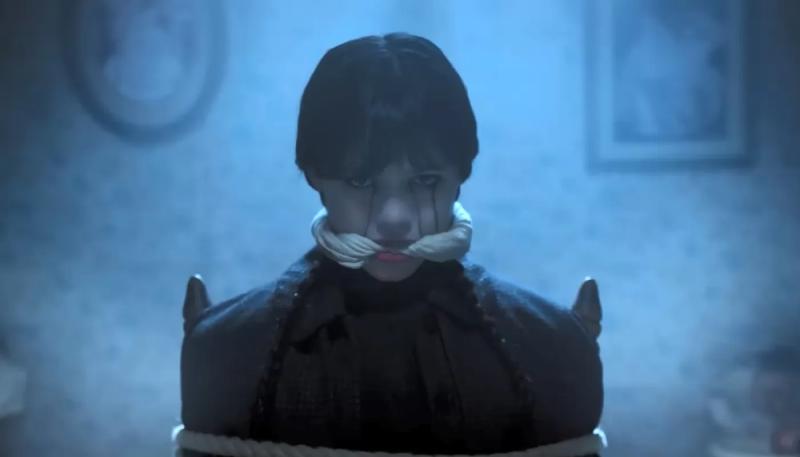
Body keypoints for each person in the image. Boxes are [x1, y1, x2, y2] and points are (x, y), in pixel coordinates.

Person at [176, 33, 605, 457]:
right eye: (361, 181)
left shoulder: (554, 353)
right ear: (314, 175)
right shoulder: (229, 355)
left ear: (462, 174)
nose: (395, 218)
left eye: (426, 181)